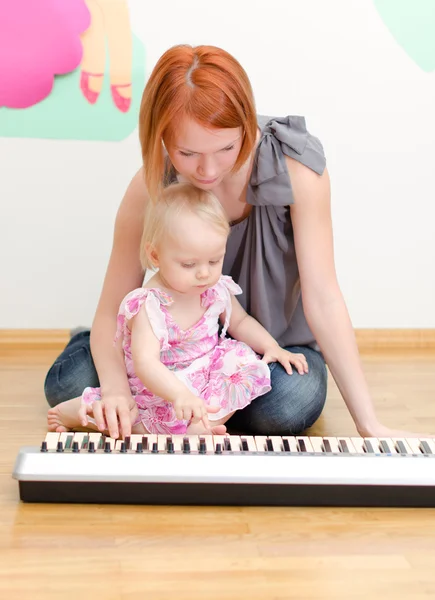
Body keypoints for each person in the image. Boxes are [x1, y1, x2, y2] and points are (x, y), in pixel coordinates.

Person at [44, 43, 429, 441]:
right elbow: (112, 308)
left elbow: (323, 296)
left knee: (288, 405)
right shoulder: (150, 186)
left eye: (226, 148)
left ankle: (189, 414)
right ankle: (187, 410)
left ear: (246, 125)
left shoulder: (296, 170)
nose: (208, 170)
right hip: (169, 354)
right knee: (71, 382)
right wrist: (118, 395)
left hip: (263, 346)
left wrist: (370, 425)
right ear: (161, 138)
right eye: (188, 152)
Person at [47, 183, 309, 435]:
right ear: (156, 256)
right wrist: (179, 394)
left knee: (245, 367)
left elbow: (240, 323)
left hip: (202, 370)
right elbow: (146, 362)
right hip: (159, 384)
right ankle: (86, 412)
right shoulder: (150, 305)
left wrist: (271, 346)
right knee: (137, 420)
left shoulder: (215, 288)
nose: (204, 273)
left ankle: (204, 422)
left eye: (214, 260)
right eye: (188, 264)